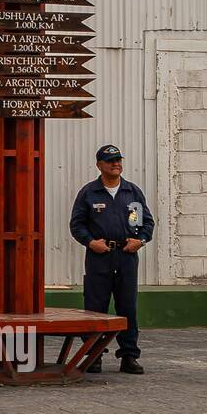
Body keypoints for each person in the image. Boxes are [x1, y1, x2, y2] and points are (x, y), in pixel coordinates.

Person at [69, 145, 155, 374]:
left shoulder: (131, 192)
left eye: (118, 160)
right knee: (95, 308)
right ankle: (94, 355)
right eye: (110, 161)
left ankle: (129, 356)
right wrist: (90, 242)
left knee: (127, 308)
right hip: (100, 257)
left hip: (126, 257)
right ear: (100, 165)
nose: (116, 164)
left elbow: (145, 223)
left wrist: (141, 240)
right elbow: (77, 224)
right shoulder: (89, 192)